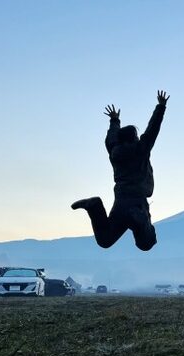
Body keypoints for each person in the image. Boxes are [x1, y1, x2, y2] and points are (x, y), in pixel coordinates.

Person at [71, 90, 169, 251]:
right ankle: (139, 221)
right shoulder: (141, 149)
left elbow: (111, 137)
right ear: (135, 138)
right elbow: (153, 130)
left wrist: (114, 120)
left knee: (105, 240)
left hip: (121, 202)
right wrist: (161, 106)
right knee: (147, 242)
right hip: (138, 202)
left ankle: (94, 206)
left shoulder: (113, 150)